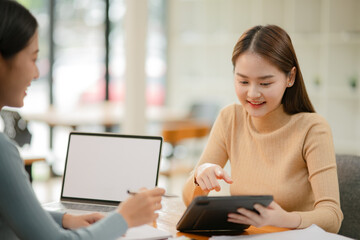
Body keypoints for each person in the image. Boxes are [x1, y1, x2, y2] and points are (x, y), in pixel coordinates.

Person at [0, 1, 165, 239]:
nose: (36, 74)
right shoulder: (3, 152)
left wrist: (65, 219)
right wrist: (124, 218)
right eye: (33, 58)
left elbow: (14, 212)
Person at [182, 25, 343, 233]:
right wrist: (199, 176)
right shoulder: (229, 118)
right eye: (243, 81)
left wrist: (286, 219)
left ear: (290, 77)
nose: (252, 93)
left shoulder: (313, 128)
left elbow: (332, 216)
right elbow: (188, 201)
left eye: (265, 83)